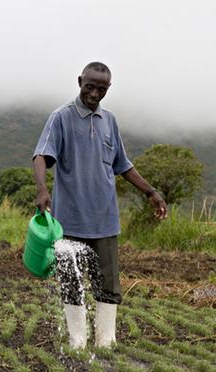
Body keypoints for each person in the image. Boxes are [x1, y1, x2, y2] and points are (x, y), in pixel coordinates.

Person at [32, 62, 167, 349]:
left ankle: (106, 341)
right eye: (89, 86)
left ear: (108, 89)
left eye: (101, 89)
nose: (94, 93)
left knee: (109, 284)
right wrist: (42, 189)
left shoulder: (110, 121)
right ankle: (77, 340)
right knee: (71, 281)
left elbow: (123, 165)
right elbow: (41, 155)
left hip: (105, 219)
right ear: (80, 81)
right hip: (68, 221)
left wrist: (150, 192)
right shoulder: (61, 117)